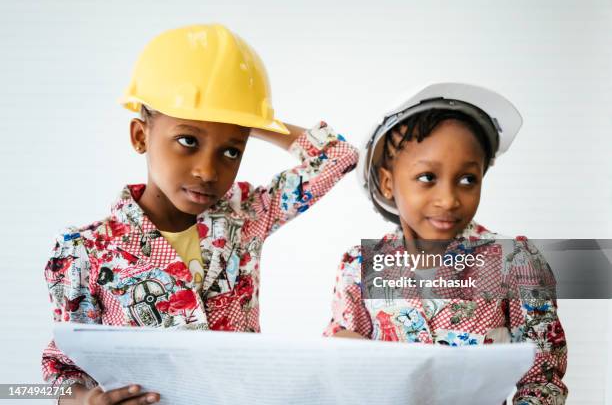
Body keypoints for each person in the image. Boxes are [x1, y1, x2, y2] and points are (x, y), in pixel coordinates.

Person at [41, 24, 358, 405]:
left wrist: (254, 123)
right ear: (141, 136)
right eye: (188, 141)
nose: (208, 171)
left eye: (230, 151)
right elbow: (56, 374)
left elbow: (339, 158)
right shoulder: (87, 252)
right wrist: (84, 400)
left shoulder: (245, 217)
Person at [324, 83, 567, 404]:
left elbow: (542, 381)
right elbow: (337, 364)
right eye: (427, 177)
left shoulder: (516, 261)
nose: (449, 199)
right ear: (387, 183)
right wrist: (344, 353)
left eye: (468, 179)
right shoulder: (359, 266)